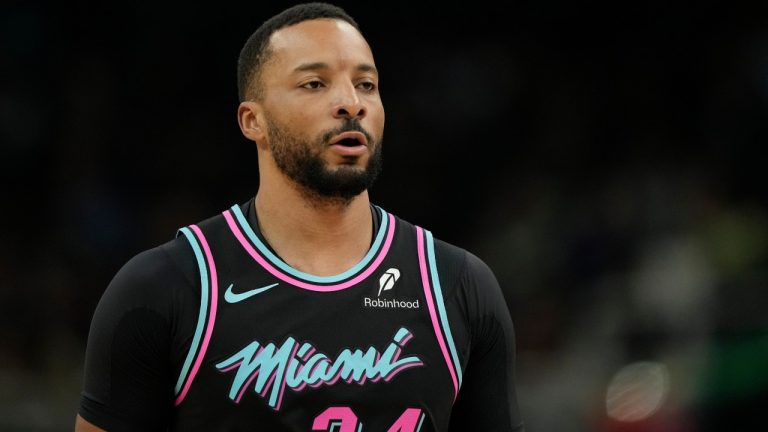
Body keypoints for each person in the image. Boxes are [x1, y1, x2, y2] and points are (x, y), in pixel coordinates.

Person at [75, 2, 524, 431]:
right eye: (315, 84)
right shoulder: (166, 287)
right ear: (254, 121)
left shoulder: (458, 287)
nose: (351, 102)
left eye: (366, 84)